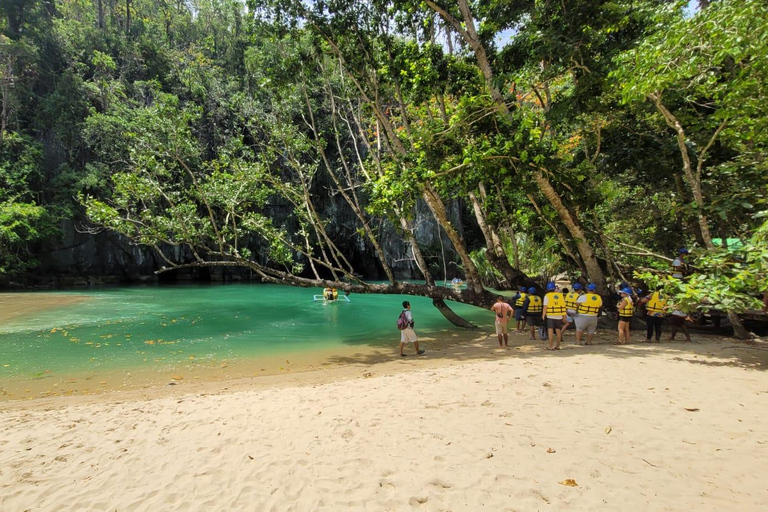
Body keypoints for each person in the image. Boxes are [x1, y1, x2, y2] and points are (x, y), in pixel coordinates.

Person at [542, 282, 566, 350]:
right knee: (558, 330)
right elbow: (563, 306)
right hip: (559, 315)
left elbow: (545, 307)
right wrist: (564, 316)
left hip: (550, 316)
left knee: (550, 331)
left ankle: (550, 346)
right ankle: (558, 346)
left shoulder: (547, 296)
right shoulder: (560, 296)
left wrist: (543, 315)